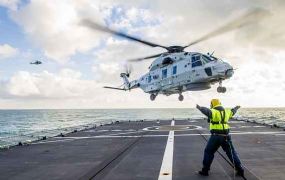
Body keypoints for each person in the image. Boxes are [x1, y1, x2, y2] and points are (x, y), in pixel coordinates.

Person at [196, 99, 244, 177]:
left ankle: (205, 171)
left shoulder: (213, 111)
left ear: (212, 104)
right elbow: (233, 111)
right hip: (226, 136)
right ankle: (240, 170)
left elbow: (206, 111)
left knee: (209, 152)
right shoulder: (227, 111)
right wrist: (236, 107)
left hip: (216, 136)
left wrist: (200, 108)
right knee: (231, 153)